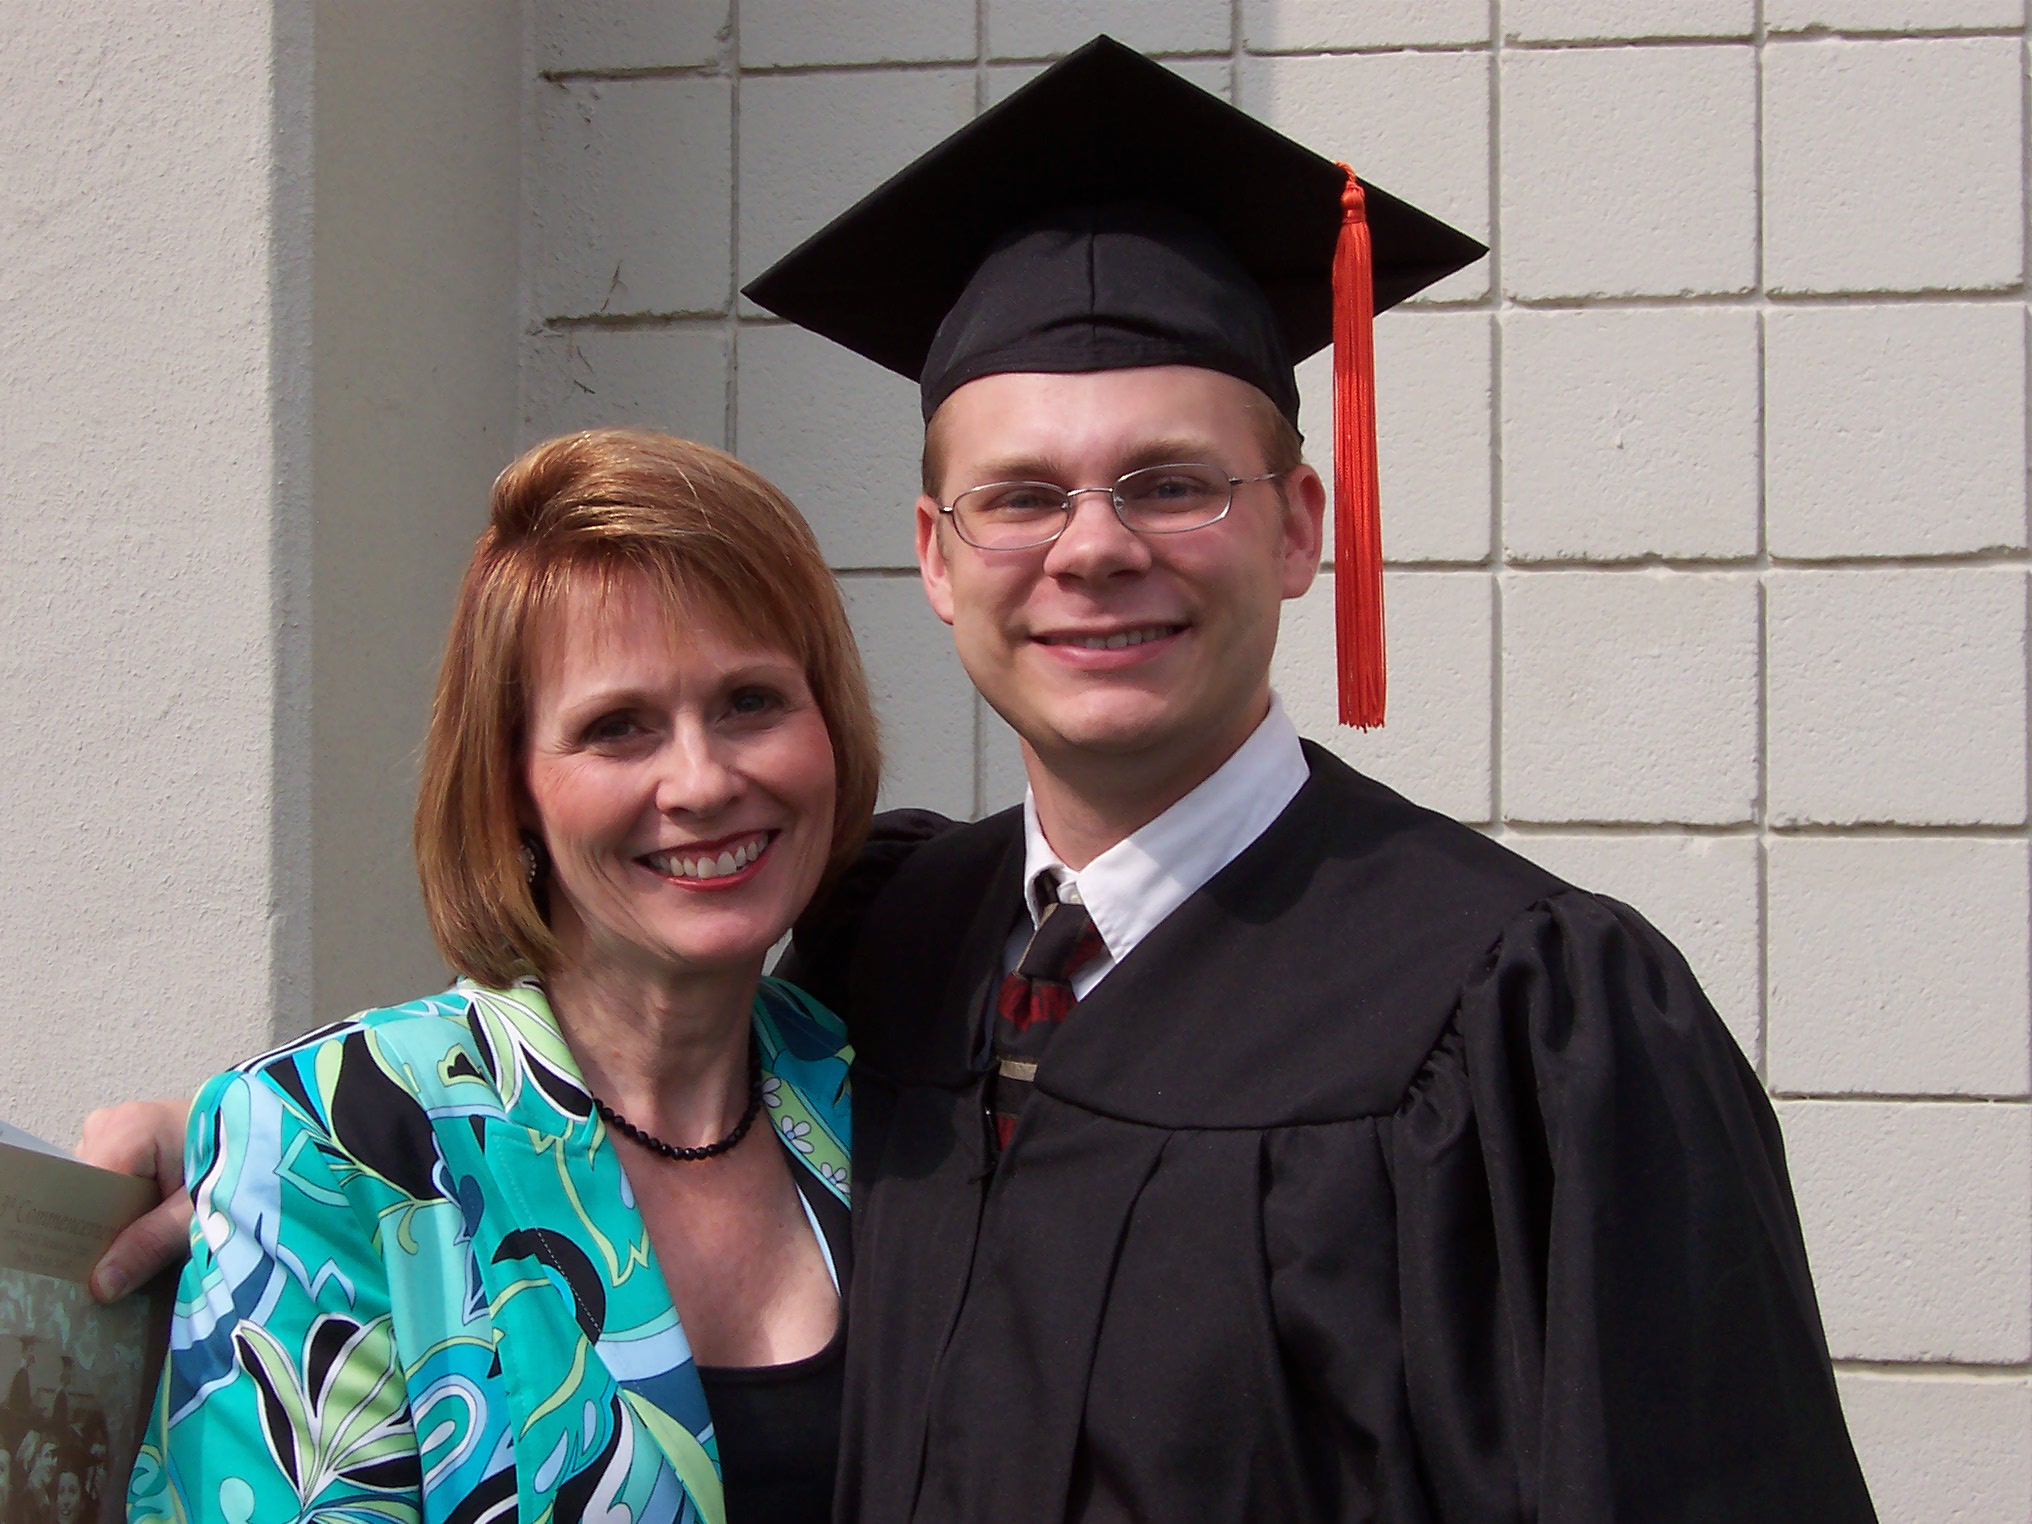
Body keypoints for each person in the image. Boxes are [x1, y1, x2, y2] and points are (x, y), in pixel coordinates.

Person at [87, 37, 1874, 1523]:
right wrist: (220, 1163)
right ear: (937, 557)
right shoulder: (896, 940)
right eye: (1022, 494)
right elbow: (553, 1064)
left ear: (1301, 528)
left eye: (1173, 480)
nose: (1093, 549)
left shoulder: (1538, 1026)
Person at [119, 430, 878, 1522]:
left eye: (751, 702)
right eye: (617, 728)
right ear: (515, 782)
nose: (702, 781)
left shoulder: (888, 1094)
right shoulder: (344, 1146)